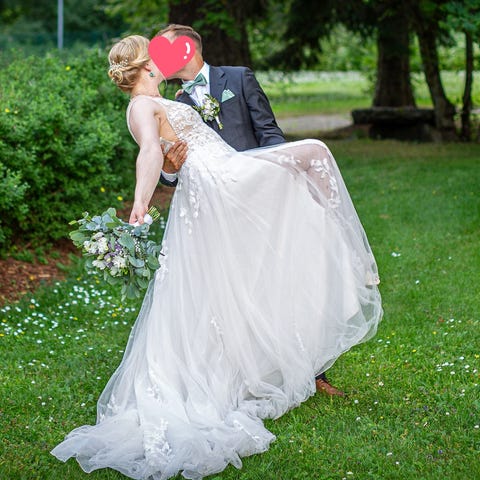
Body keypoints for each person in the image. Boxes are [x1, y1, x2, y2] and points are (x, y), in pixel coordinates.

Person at [51, 35, 382, 480]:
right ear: (146, 66)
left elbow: (169, 148)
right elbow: (150, 152)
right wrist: (140, 205)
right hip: (218, 180)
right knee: (315, 152)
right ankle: (351, 251)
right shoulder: (142, 106)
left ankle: (329, 262)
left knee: (243, 266)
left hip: (221, 175)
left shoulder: (161, 100)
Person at [159, 24, 342, 395]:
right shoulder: (171, 105)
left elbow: (269, 133)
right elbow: (169, 175)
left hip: (259, 194)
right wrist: (170, 169)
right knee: (235, 291)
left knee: (285, 280)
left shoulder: (238, 78)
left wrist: (272, 176)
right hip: (216, 209)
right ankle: (245, 374)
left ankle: (314, 373)